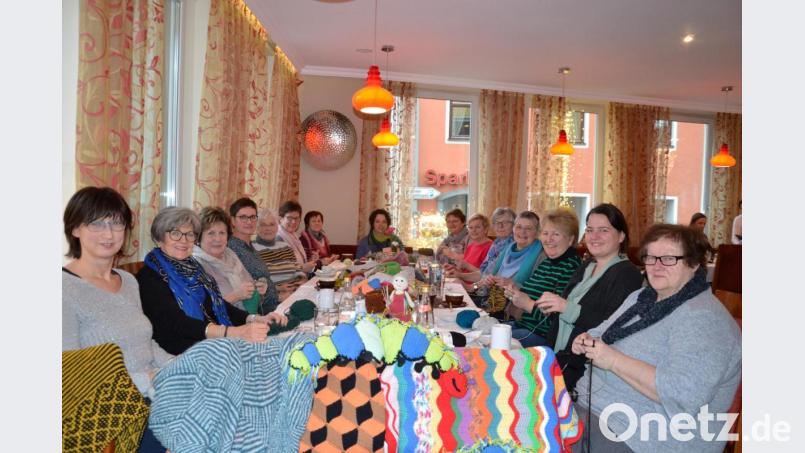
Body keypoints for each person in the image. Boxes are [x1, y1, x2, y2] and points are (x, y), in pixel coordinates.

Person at [571, 224, 741, 452]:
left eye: (669, 258)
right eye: (651, 258)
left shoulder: (705, 320)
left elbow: (682, 395)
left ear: (694, 263)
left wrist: (612, 360)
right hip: (593, 409)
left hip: (646, 436)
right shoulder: (642, 297)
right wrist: (585, 340)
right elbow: (601, 332)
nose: (657, 266)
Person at [62, 187, 173, 452]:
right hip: (111, 413)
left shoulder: (128, 281)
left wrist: (177, 365)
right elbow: (69, 371)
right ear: (75, 229)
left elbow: (144, 343)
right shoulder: (62, 288)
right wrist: (146, 380)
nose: (109, 234)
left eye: (117, 224)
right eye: (97, 224)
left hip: (153, 393)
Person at [137, 207, 287, 355]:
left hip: (209, 342)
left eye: (189, 234)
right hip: (181, 353)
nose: (184, 240)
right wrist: (233, 332)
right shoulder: (149, 277)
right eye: (175, 233)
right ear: (158, 238)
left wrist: (253, 319)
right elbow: (177, 323)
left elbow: (217, 304)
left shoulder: (193, 269)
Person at [540, 204, 643, 390]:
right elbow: (566, 316)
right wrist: (551, 308)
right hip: (555, 356)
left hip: (584, 370)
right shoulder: (587, 267)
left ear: (621, 236)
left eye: (603, 230)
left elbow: (611, 327)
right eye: (590, 230)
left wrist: (565, 307)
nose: (594, 237)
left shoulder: (628, 274)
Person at [503, 208, 582, 347]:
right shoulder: (547, 261)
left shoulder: (571, 267)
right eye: (545, 233)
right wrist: (515, 292)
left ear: (570, 239)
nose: (548, 239)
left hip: (543, 337)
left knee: (490, 343)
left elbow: (557, 322)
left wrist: (527, 304)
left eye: (556, 234)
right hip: (523, 326)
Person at [447, 211, 543, 313]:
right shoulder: (507, 249)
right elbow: (486, 276)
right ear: (514, 229)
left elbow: (535, 292)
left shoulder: (540, 255)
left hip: (510, 311)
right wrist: (468, 283)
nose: (522, 232)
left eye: (528, 228)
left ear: (537, 232)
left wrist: (513, 284)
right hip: (491, 302)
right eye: (519, 227)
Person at [192, 207, 271, 313]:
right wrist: (235, 296)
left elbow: (250, 286)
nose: (218, 239)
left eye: (222, 233)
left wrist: (258, 291)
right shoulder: (196, 265)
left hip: (248, 319)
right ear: (199, 237)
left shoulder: (230, 254)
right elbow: (203, 312)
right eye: (211, 233)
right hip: (224, 327)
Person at [225, 197, 280, 312]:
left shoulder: (250, 246)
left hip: (272, 305)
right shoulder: (231, 248)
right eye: (243, 217)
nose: (249, 222)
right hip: (257, 313)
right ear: (233, 221)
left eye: (252, 217)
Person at [253, 208, 308, 300]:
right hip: (273, 298)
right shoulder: (253, 249)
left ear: (277, 226)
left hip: (294, 293)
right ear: (256, 227)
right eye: (263, 225)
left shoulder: (285, 247)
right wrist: (276, 289)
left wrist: (301, 280)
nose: (268, 228)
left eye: (272, 224)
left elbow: (298, 269)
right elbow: (255, 282)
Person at [276, 200, 320, 274]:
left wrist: (310, 260)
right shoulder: (277, 238)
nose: (293, 222)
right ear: (281, 218)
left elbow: (299, 262)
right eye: (289, 218)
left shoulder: (294, 235)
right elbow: (278, 269)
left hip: (300, 279)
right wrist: (302, 268)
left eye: (296, 218)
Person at [479, 207, 516, 274]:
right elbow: (483, 273)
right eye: (497, 222)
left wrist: (473, 284)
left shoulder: (514, 246)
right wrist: (460, 275)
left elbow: (491, 275)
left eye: (505, 222)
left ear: (514, 225)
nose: (500, 226)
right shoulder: (496, 243)